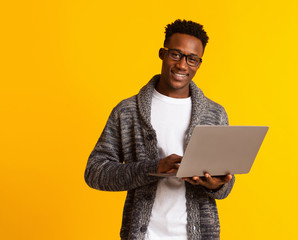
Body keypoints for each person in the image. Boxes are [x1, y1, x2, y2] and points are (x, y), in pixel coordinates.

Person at [85, 19, 235, 240]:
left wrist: (215, 185)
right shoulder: (128, 111)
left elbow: (225, 186)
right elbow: (95, 173)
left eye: (192, 59)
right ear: (162, 54)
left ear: (199, 64)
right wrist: (153, 168)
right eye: (176, 54)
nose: (183, 65)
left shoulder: (215, 113)